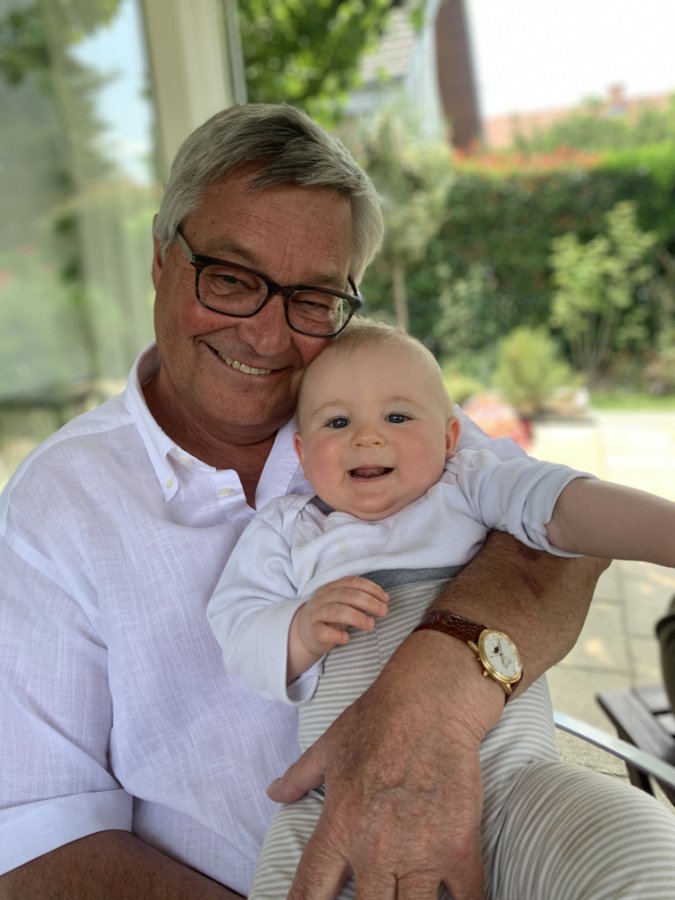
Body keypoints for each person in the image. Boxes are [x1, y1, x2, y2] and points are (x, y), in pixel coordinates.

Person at [0, 102, 641, 899]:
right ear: (162, 260)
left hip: (497, 853)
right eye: (230, 279)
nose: (267, 337)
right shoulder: (56, 508)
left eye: (312, 299)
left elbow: (557, 536)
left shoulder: (367, 413)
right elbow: (35, 839)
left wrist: (437, 684)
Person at [208, 320, 675, 898]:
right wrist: (298, 630)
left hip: (516, 790)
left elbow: (563, 506)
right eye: (337, 422)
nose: (367, 437)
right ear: (302, 454)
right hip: (341, 803)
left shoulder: (469, 486)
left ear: (451, 437)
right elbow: (236, 626)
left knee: (643, 845)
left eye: (397, 417)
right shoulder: (288, 529)